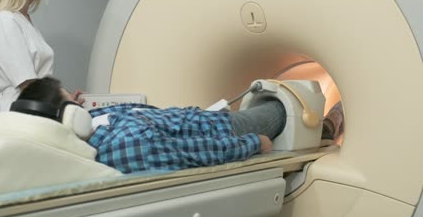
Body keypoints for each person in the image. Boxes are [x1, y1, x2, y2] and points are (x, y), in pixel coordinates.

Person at [16, 77, 291, 174]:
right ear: (67, 120)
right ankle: (329, 125)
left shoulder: (93, 127)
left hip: (206, 117)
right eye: (70, 104)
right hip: (225, 130)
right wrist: (253, 143)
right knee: (284, 108)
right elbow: (193, 152)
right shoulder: (123, 146)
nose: (79, 108)